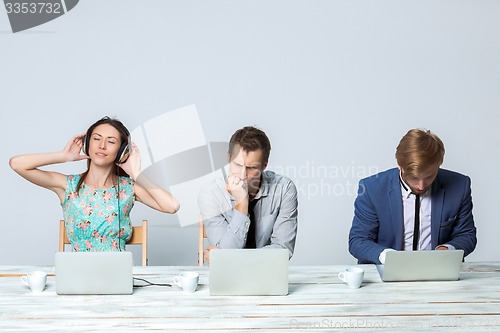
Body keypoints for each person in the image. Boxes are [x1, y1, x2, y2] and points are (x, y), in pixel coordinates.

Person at [9, 116, 180, 251]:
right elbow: (17, 164)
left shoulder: (128, 188)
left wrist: (137, 174)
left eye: (111, 141)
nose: (102, 146)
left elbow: (172, 206)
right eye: (97, 139)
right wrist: (63, 156)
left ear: (122, 152)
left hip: (116, 273)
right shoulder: (67, 185)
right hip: (76, 273)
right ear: (87, 144)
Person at [348, 128, 477, 264]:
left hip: (438, 273)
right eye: (414, 178)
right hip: (385, 274)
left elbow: (466, 235)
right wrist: (389, 258)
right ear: (400, 166)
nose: (421, 186)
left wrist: (446, 250)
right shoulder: (372, 188)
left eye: (429, 176)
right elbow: (358, 241)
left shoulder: (460, 186)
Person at [198, 126, 298, 262]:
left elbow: (283, 251)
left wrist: (229, 257)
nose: (242, 175)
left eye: (252, 168)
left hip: (267, 274)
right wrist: (242, 204)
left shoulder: (284, 189)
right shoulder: (210, 194)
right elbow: (226, 262)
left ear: (264, 165)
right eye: (238, 165)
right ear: (228, 158)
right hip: (229, 277)